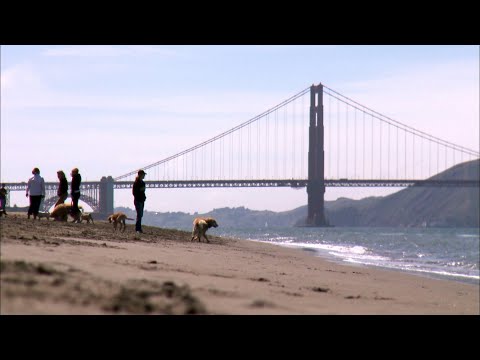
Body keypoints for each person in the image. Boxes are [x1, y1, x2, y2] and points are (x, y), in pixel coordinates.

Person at [132, 169, 147, 233]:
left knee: (141, 215)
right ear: (140, 175)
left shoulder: (143, 183)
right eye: (143, 174)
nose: (144, 176)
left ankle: (138, 228)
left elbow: (143, 192)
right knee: (139, 214)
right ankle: (138, 229)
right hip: (137, 200)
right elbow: (134, 192)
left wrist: (144, 197)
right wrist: (140, 190)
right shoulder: (136, 183)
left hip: (142, 200)